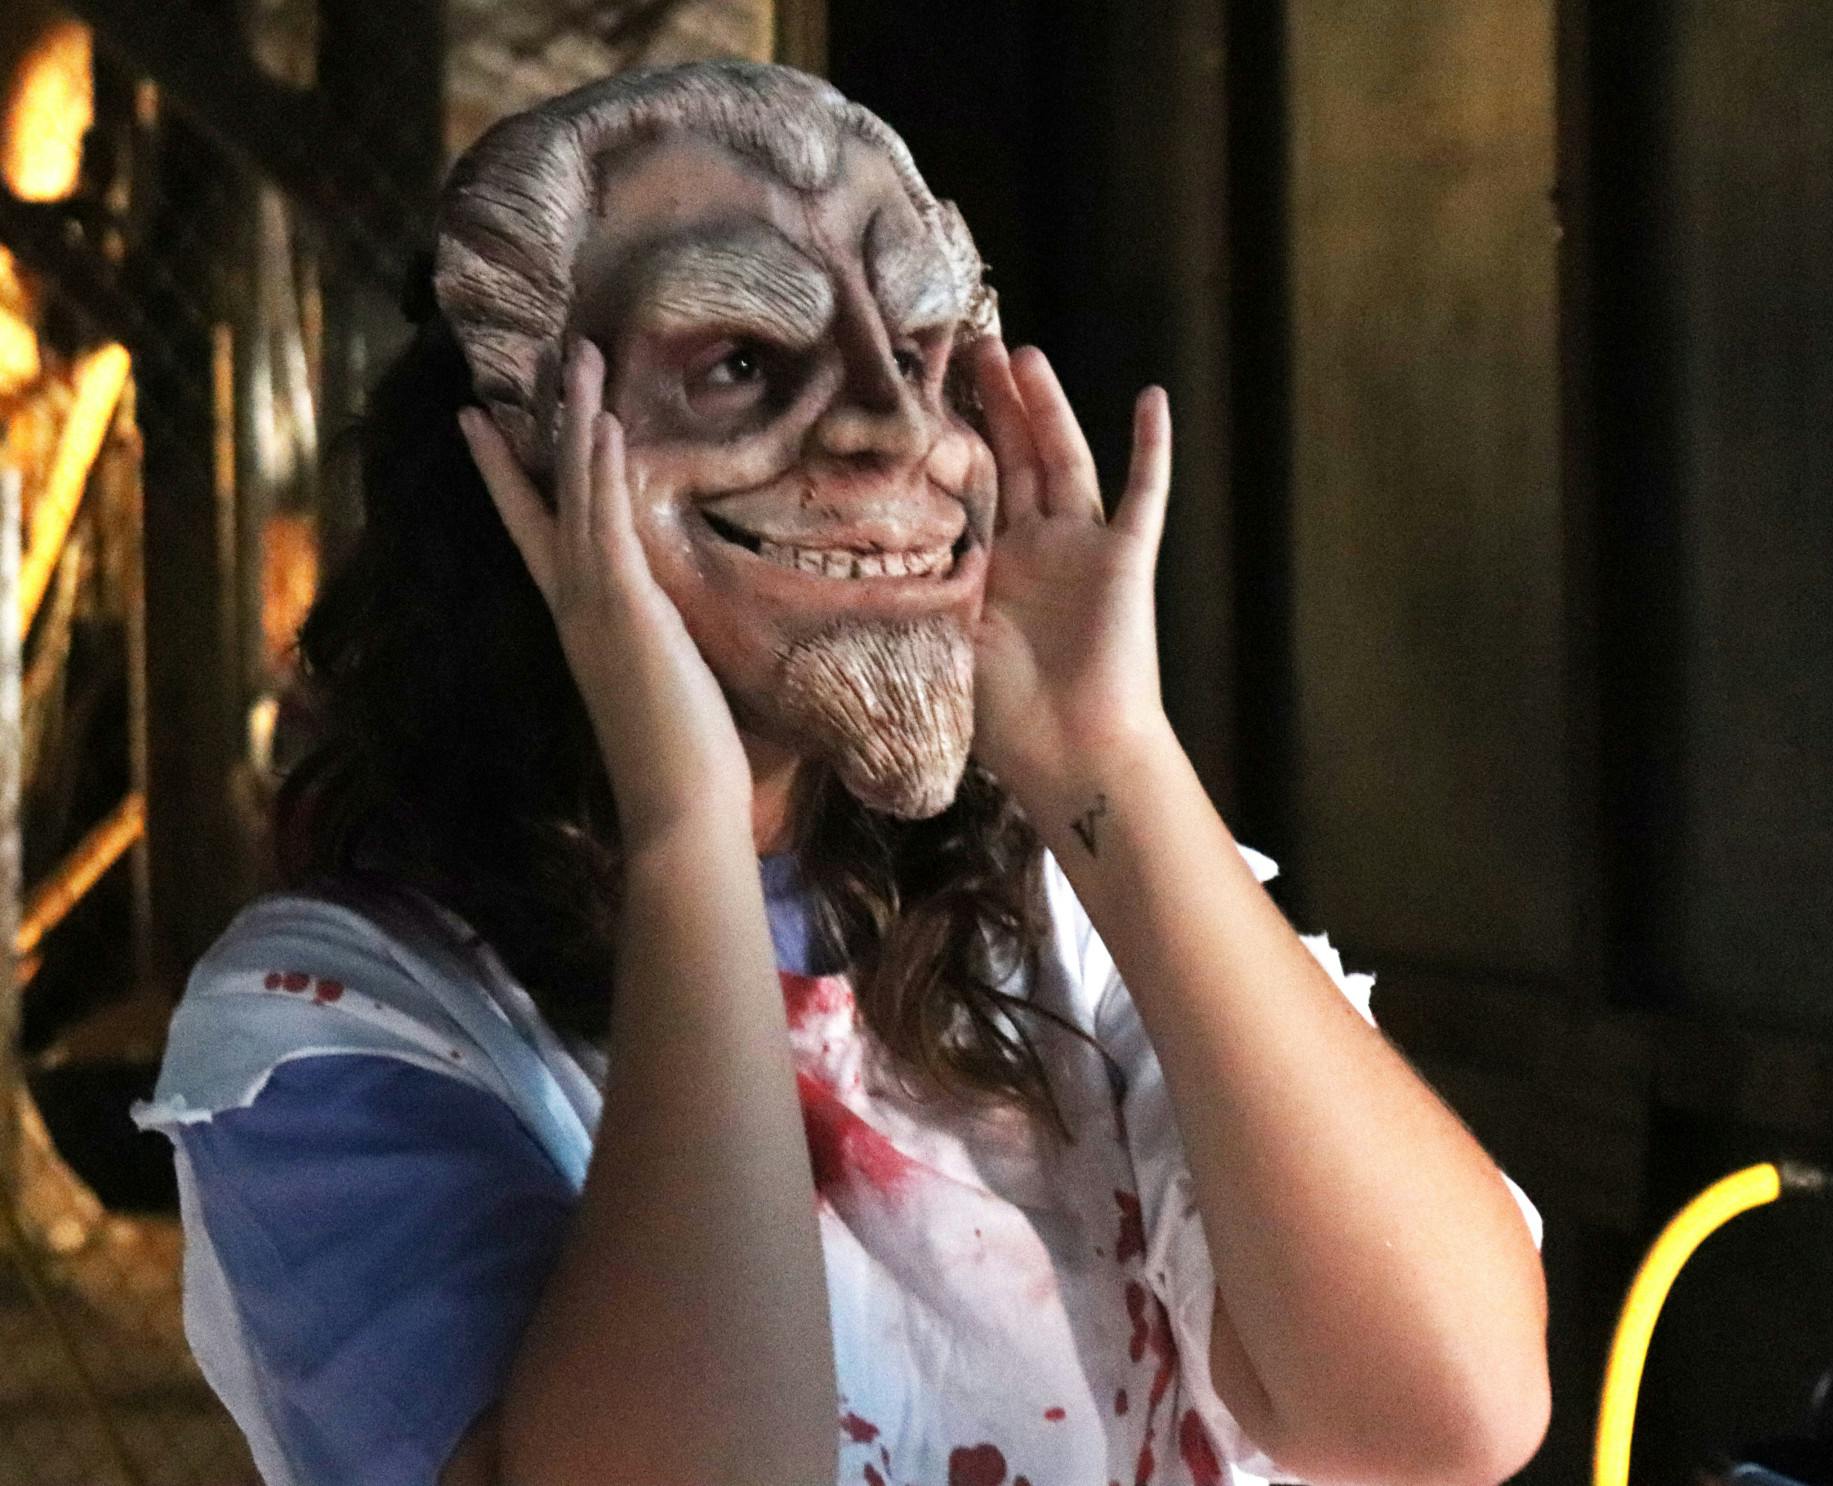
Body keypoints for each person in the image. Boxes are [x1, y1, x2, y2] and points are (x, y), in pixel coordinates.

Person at [133, 61, 1549, 1486]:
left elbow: (1446, 1408)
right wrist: (686, 829)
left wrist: (1113, 756)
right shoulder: (341, 1017)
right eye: (742, 359)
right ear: (526, 463)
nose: (894, 418)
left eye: (928, 348)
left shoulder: (1062, 908)